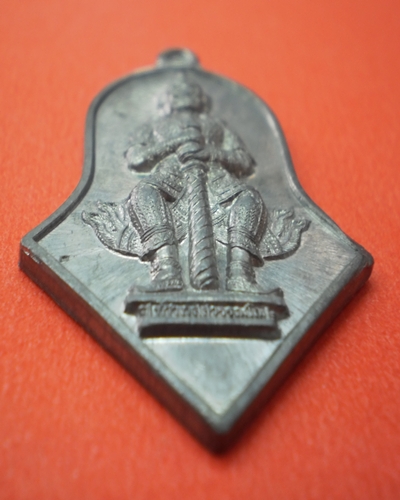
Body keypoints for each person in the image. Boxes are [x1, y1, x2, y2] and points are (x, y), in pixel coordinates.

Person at [126, 74, 268, 293]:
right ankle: (166, 270)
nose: (186, 94)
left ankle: (240, 274)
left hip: (217, 181)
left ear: (201, 99)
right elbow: (136, 158)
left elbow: (244, 161)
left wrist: (211, 152)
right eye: (179, 92)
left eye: (192, 91)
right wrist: (176, 143)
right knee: (144, 193)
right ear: (168, 100)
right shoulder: (153, 127)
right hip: (170, 180)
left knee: (249, 198)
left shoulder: (217, 126)